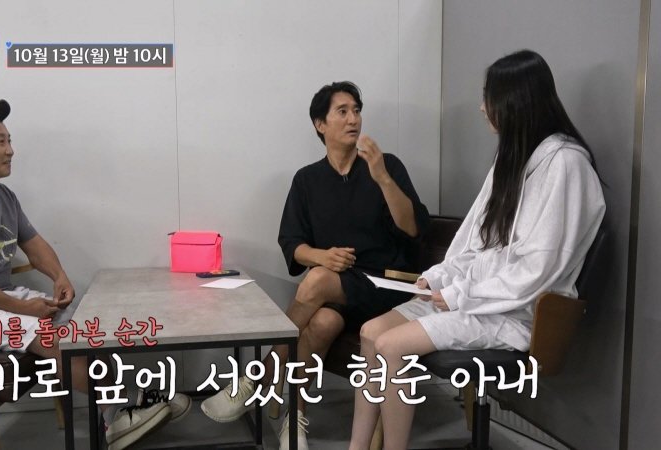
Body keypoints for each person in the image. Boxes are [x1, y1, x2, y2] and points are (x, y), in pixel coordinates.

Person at [348, 50, 606, 450]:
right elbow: (474, 241)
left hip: (515, 313)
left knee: (391, 346)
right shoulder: (511, 158)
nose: (482, 107)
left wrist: (459, 294)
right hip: (476, 300)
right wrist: (437, 278)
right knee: (371, 332)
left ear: (515, 101)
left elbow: (538, 271)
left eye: (489, 97)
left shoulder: (566, 165)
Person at [0, 100, 190, 450]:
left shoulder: (4, 196)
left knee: (84, 325)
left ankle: (119, 406)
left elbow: (34, 244)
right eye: (0, 141)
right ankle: (121, 411)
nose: (10, 150)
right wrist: (20, 307)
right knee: (51, 335)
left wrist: (59, 275)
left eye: (9, 140)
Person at [201, 82, 430, 449]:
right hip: (340, 295)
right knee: (322, 322)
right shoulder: (307, 180)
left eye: (357, 110)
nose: (353, 119)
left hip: (386, 286)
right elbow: (292, 243)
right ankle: (294, 419)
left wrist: (383, 178)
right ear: (320, 124)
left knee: (318, 280)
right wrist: (321, 256)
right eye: (343, 111)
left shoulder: (385, 166)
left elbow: (413, 228)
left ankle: (258, 378)